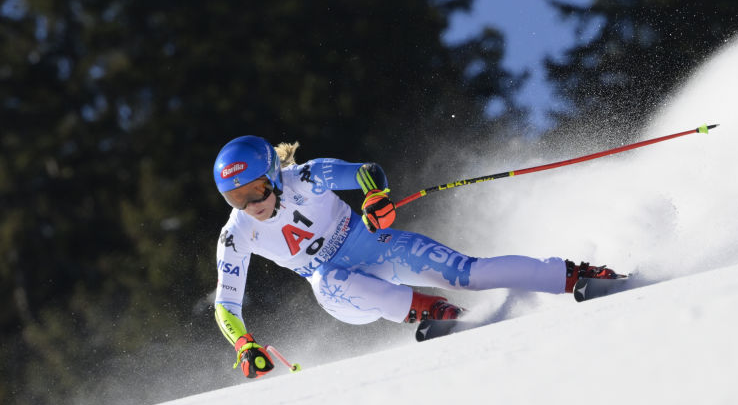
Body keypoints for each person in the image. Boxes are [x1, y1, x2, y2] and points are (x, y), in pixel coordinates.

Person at [212, 135, 620, 378]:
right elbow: (225, 304)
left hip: (375, 247)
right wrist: (244, 345)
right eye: (237, 197)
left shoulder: (306, 177)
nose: (252, 205)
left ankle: (575, 276)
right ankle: (431, 310)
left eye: (257, 190)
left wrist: (375, 197)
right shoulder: (236, 234)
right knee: (325, 279)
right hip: (345, 294)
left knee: (468, 272)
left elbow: (366, 171)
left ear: (273, 175)